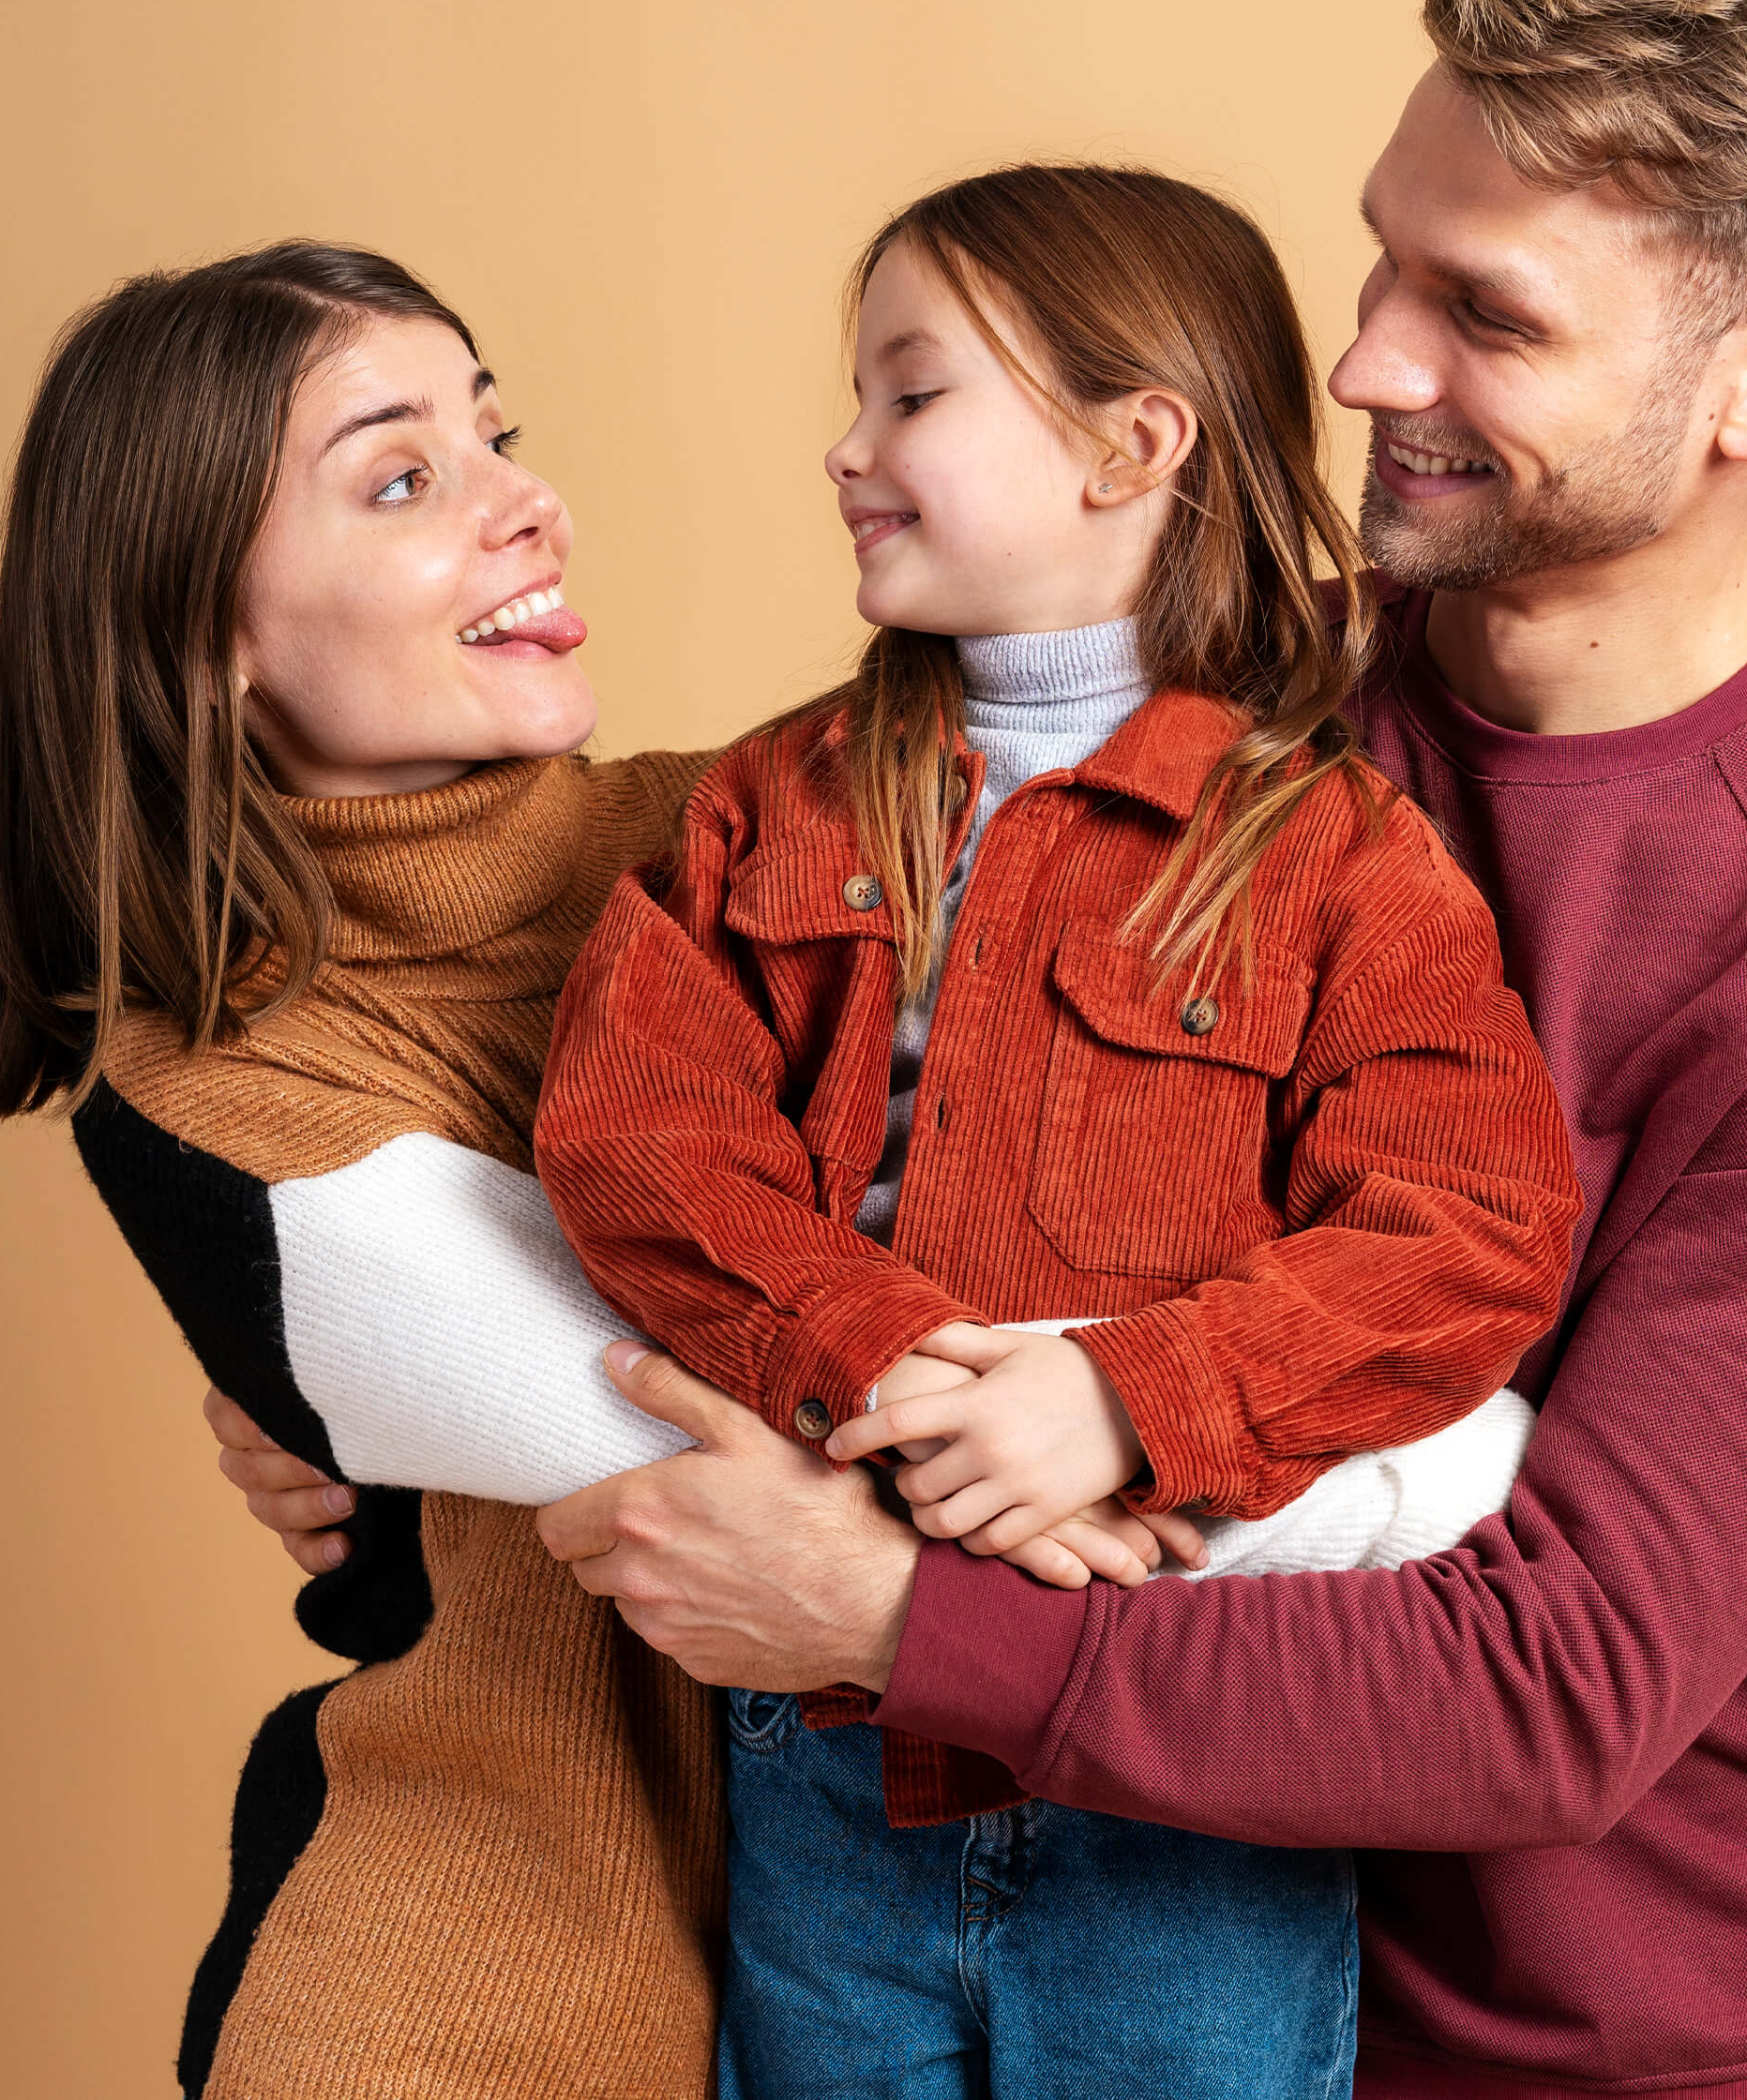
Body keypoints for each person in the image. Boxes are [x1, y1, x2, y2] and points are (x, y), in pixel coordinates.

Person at [505, 0, 1747, 2098]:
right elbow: (768, 1075)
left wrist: (886, 1625)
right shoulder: (1189, 710)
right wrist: (372, 1376)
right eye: (1380, 258)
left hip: (1636, 2038)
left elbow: (1560, 1688)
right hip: (1058, 1939)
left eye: (1489, 317)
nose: (1361, 364)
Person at [530, 165, 1583, 2096]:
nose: (845, 449)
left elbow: (1468, 1230)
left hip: (1189, 1797)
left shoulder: (1333, 854)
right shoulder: (769, 812)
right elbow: (635, 1143)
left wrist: (1124, 1399)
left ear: (1130, 445)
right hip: (823, 1742)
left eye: (910, 392)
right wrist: (888, 1363)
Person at [0, 244, 730, 2097]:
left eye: (498, 433)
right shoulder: (203, 1086)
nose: (533, 507)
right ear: (206, 627)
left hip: (919, 1944)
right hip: (468, 1990)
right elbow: (720, 1456)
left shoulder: (759, 830)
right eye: (403, 477)